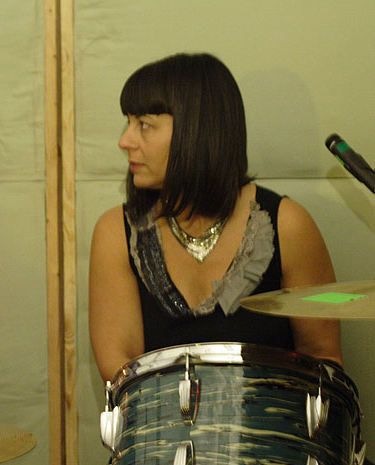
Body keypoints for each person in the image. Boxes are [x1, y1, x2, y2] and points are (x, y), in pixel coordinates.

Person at [89, 53, 342, 383]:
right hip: (161, 419)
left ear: (196, 130)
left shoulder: (287, 225)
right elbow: (120, 373)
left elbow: (324, 361)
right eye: (128, 123)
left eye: (144, 125)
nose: (125, 141)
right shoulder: (115, 232)